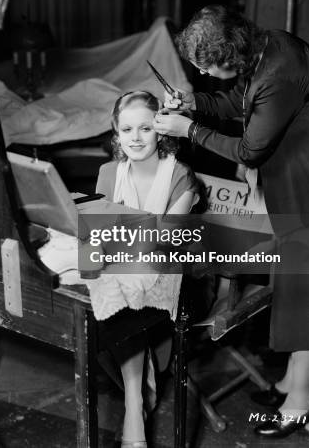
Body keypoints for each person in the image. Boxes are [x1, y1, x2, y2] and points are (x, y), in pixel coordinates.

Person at [153, 4, 309, 439]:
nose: (206, 75)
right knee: (294, 282)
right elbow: (237, 100)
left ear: (230, 54)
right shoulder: (263, 48)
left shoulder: (278, 74)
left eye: (206, 68)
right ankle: (292, 381)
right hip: (298, 183)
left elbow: (250, 150)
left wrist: (188, 130)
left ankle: (302, 401)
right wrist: (195, 103)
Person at [88, 90, 199, 448]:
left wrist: (113, 235)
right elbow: (98, 235)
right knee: (99, 290)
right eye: (126, 129)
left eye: (146, 129)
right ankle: (136, 397)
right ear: (116, 134)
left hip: (179, 278)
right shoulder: (108, 172)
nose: (135, 138)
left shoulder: (180, 174)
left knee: (121, 292)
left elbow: (166, 239)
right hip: (127, 274)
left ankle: (134, 406)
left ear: (161, 131)